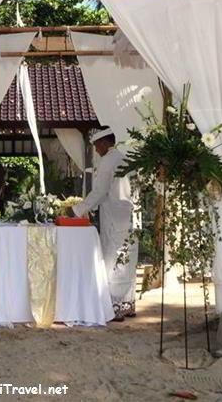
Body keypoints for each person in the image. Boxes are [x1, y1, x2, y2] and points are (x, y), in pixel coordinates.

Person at [71, 127, 137, 321]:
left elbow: (99, 192)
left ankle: (115, 307)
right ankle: (127, 304)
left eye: (96, 146)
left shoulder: (108, 161)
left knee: (113, 259)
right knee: (128, 257)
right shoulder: (122, 157)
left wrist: (77, 210)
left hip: (114, 216)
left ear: (104, 142)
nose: (96, 150)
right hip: (129, 215)